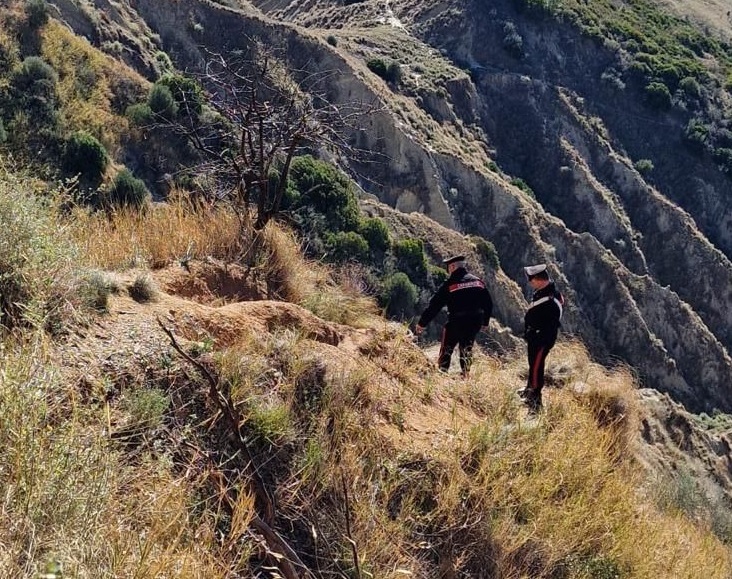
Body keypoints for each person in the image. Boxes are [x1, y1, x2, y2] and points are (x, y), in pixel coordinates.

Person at [415, 255, 493, 377]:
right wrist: (485, 322)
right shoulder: (478, 282)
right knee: (467, 348)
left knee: (446, 348)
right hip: (474, 322)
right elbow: (488, 304)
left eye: (448, 267)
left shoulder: (450, 284)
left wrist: (422, 323)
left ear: (452, 267)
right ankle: (466, 375)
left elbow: (435, 305)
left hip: (457, 322)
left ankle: (442, 373)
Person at [520, 263, 564, 413]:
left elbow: (551, 324)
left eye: (531, 280)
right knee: (532, 363)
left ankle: (536, 399)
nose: (530, 283)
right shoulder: (544, 291)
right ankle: (528, 388)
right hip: (535, 336)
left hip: (542, 339)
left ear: (538, 279)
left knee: (537, 365)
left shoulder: (550, 298)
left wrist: (537, 335)